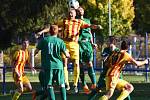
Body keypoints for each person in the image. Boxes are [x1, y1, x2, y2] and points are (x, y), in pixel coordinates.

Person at [36, 8, 102, 93]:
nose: (70, 14)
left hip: (74, 44)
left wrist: (96, 26)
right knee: (65, 62)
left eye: (71, 13)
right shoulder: (64, 21)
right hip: (65, 43)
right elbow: (53, 27)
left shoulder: (79, 22)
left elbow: (89, 26)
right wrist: (41, 32)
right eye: (69, 13)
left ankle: (75, 84)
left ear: (75, 14)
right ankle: (66, 83)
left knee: (77, 63)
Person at [34, 25, 70, 100]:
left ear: (49, 31)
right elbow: (67, 55)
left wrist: (33, 56)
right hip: (58, 66)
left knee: (49, 85)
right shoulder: (60, 41)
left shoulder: (44, 40)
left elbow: (36, 51)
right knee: (62, 85)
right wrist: (68, 54)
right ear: (57, 32)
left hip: (48, 66)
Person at [76, 6, 97, 94]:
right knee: (80, 65)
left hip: (87, 44)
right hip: (79, 44)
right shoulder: (75, 21)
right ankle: (84, 85)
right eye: (79, 10)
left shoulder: (87, 20)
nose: (81, 11)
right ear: (77, 12)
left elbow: (90, 33)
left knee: (89, 63)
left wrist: (92, 43)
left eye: (82, 9)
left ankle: (94, 84)